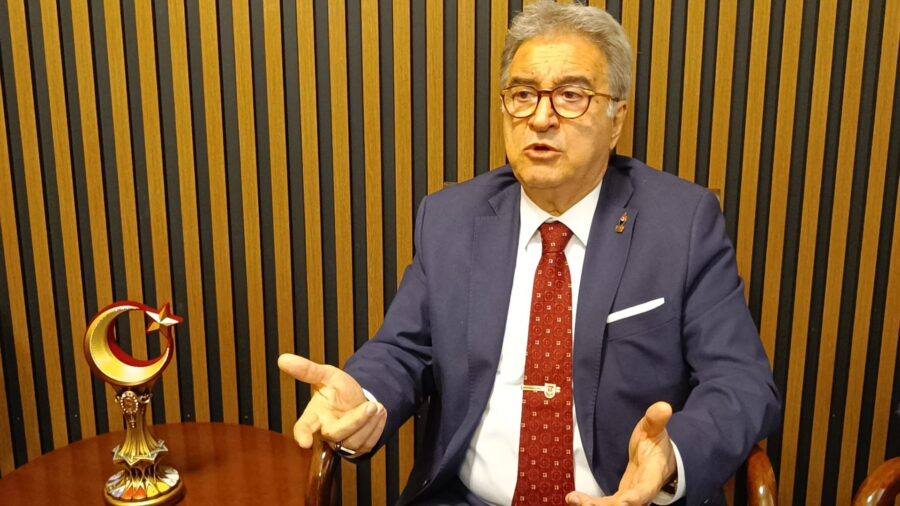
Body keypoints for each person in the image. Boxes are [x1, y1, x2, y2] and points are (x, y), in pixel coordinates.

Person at [279, 2, 780, 505]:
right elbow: (404, 350)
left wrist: (672, 461)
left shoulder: (682, 223)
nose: (541, 118)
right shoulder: (451, 219)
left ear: (616, 119)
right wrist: (366, 398)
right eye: (523, 95)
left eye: (571, 96)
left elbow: (741, 381)